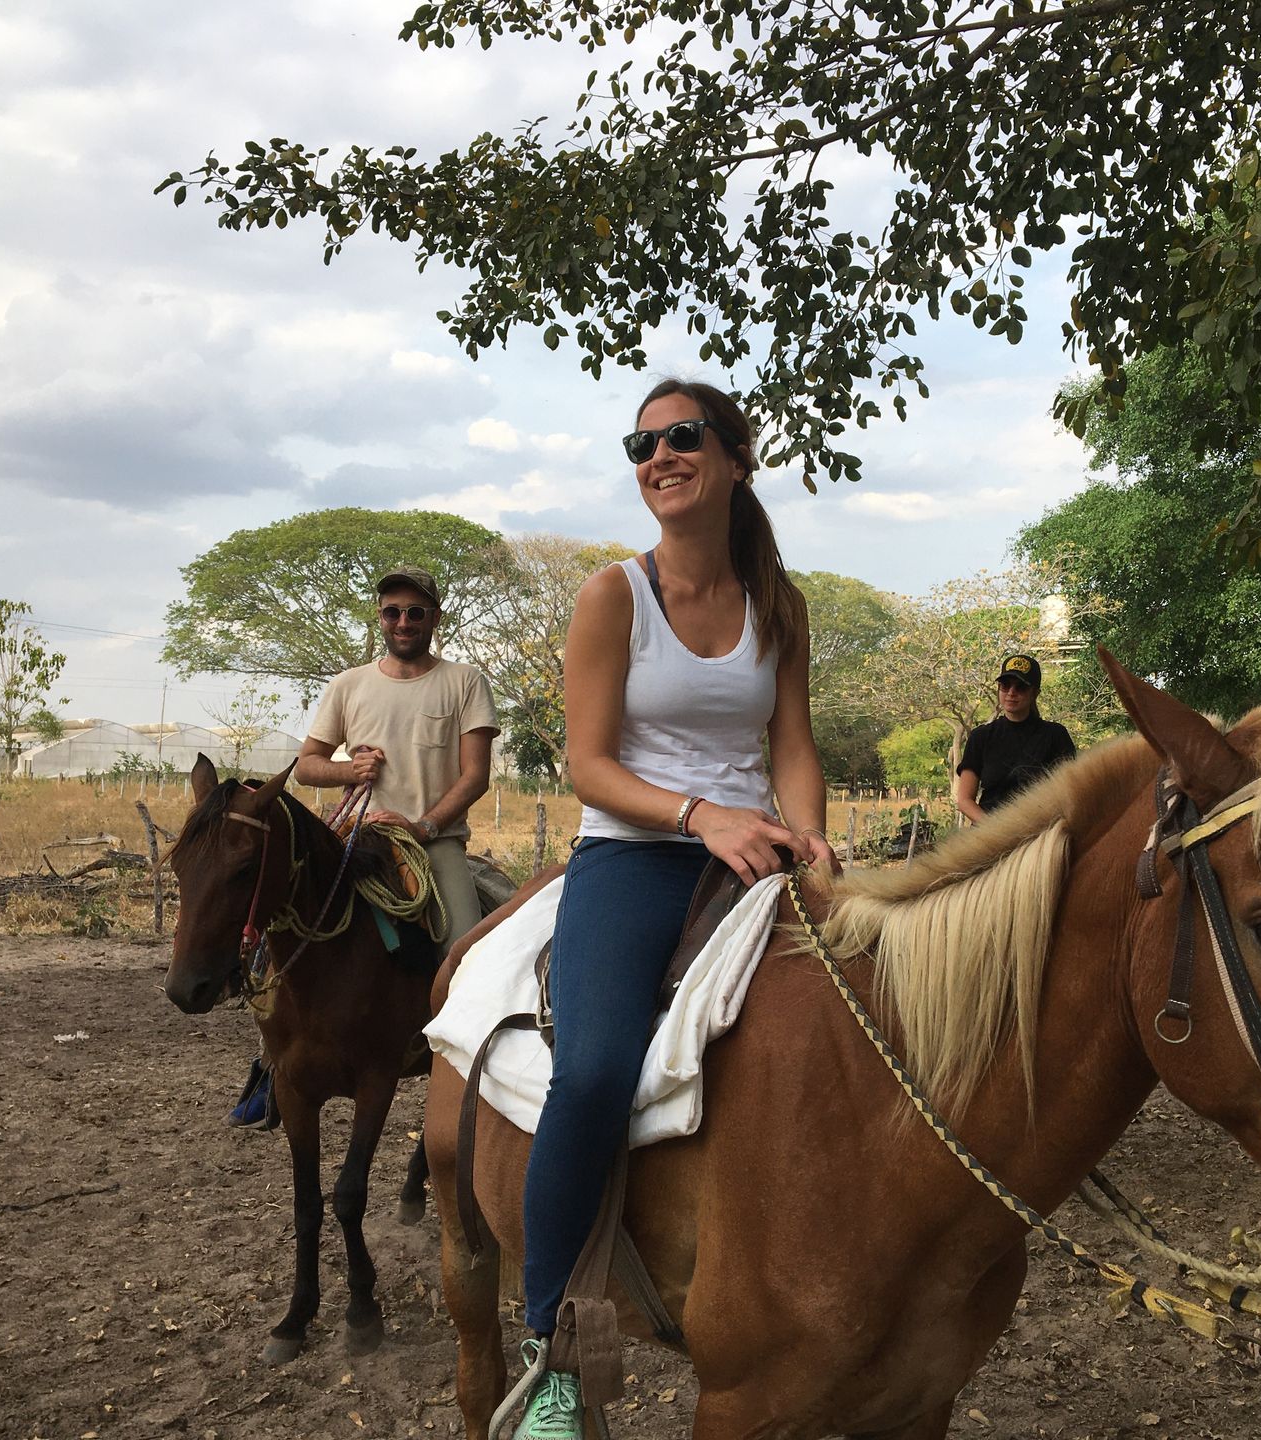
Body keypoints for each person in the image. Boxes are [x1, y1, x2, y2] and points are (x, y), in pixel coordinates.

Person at [509, 379, 835, 1437]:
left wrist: (810, 833)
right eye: (640, 443)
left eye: (681, 436)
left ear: (736, 459)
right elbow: (591, 766)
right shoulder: (616, 594)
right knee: (597, 1066)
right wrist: (702, 817)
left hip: (755, 858)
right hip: (638, 858)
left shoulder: (774, 604)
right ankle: (549, 1349)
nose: (658, 455)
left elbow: (791, 744)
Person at [226, 564, 499, 1127]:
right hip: (353, 841)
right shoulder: (349, 684)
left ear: (433, 618)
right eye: (392, 612)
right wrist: (350, 769)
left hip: (432, 842)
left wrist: (425, 825)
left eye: (415, 612)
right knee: (277, 939)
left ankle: (465, 1069)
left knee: (466, 951)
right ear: (380, 619)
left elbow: (474, 777)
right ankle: (270, 1064)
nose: (403, 621)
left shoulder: (464, 681)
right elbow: (306, 766)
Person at [951, 654, 1077, 823]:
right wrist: (995, 829)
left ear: (1035, 693)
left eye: (1021, 687)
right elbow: (965, 801)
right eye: (1005, 685)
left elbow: (1068, 793)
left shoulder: (1055, 735)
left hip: (1040, 831)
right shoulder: (981, 736)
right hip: (989, 832)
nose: (1011, 692)